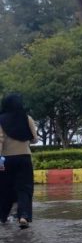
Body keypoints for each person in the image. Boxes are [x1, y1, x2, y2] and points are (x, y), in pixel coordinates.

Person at [0, 93, 39, 229]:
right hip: (24, 159)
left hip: (6, 160)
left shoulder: (0, 120)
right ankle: (23, 216)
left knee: (5, 190)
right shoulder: (27, 118)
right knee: (25, 189)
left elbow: (0, 141)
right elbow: (34, 139)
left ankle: (3, 217)